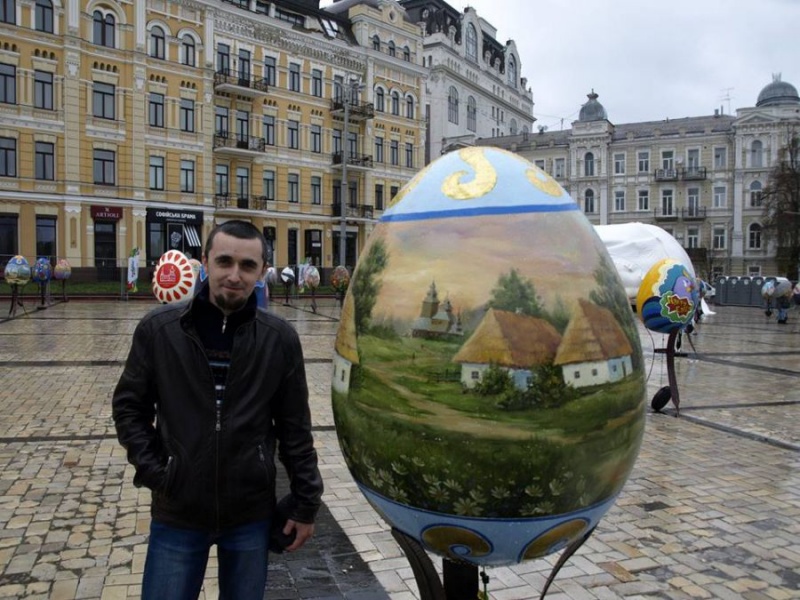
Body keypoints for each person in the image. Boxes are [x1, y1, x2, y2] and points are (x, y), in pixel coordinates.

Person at [112, 220, 323, 600]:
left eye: (247, 266)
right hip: (178, 511)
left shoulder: (279, 339)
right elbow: (129, 407)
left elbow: (295, 428)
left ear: (262, 271)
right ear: (205, 261)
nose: (234, 275)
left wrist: (306, 504)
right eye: (224, 262)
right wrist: (158, 472)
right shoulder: (160, 330)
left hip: (249, 514)